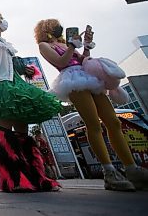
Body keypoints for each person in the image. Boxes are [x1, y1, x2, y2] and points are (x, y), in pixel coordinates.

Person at [35, 19, 148, 191]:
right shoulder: (44, 45)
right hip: (72, 79)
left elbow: (83, 60)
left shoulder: (65, 44)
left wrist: (86, 45)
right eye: (54, 25)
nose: (59, 28)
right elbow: (61, 62)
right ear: (47, 29)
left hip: (89, 76)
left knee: (113, 121)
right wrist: (73, 46)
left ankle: (132, 168)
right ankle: (109, 172)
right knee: (93, 123)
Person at [0, 13, 62, 193]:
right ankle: (12, 179)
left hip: (16, 84)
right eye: (1, 18)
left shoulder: (6, 44)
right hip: (2, 84)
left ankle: (35, 177)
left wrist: (24, 69)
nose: (4, 21)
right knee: (7, 131)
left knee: (23, 131)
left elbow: (12, 64)